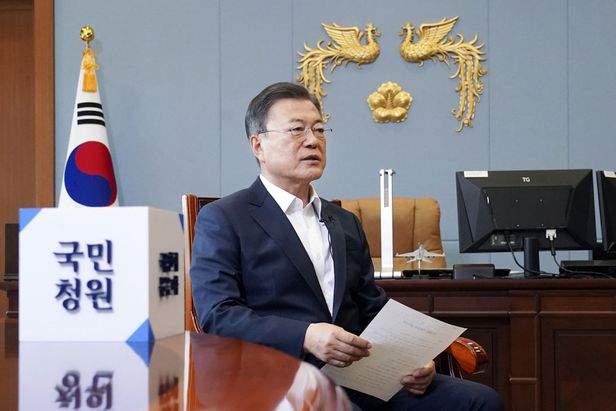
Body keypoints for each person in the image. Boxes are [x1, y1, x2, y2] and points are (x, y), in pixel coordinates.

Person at [190, 81, 503, 410]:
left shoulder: (344, 221)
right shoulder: (225, 218)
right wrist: (307, 335)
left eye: (319, 129)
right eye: (296, 130)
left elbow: (371, 306)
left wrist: (413, 356)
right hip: (277, 376)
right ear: (258, 145)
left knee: (479, 401)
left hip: (357, 375)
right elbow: (219, 315)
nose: (312, 140)